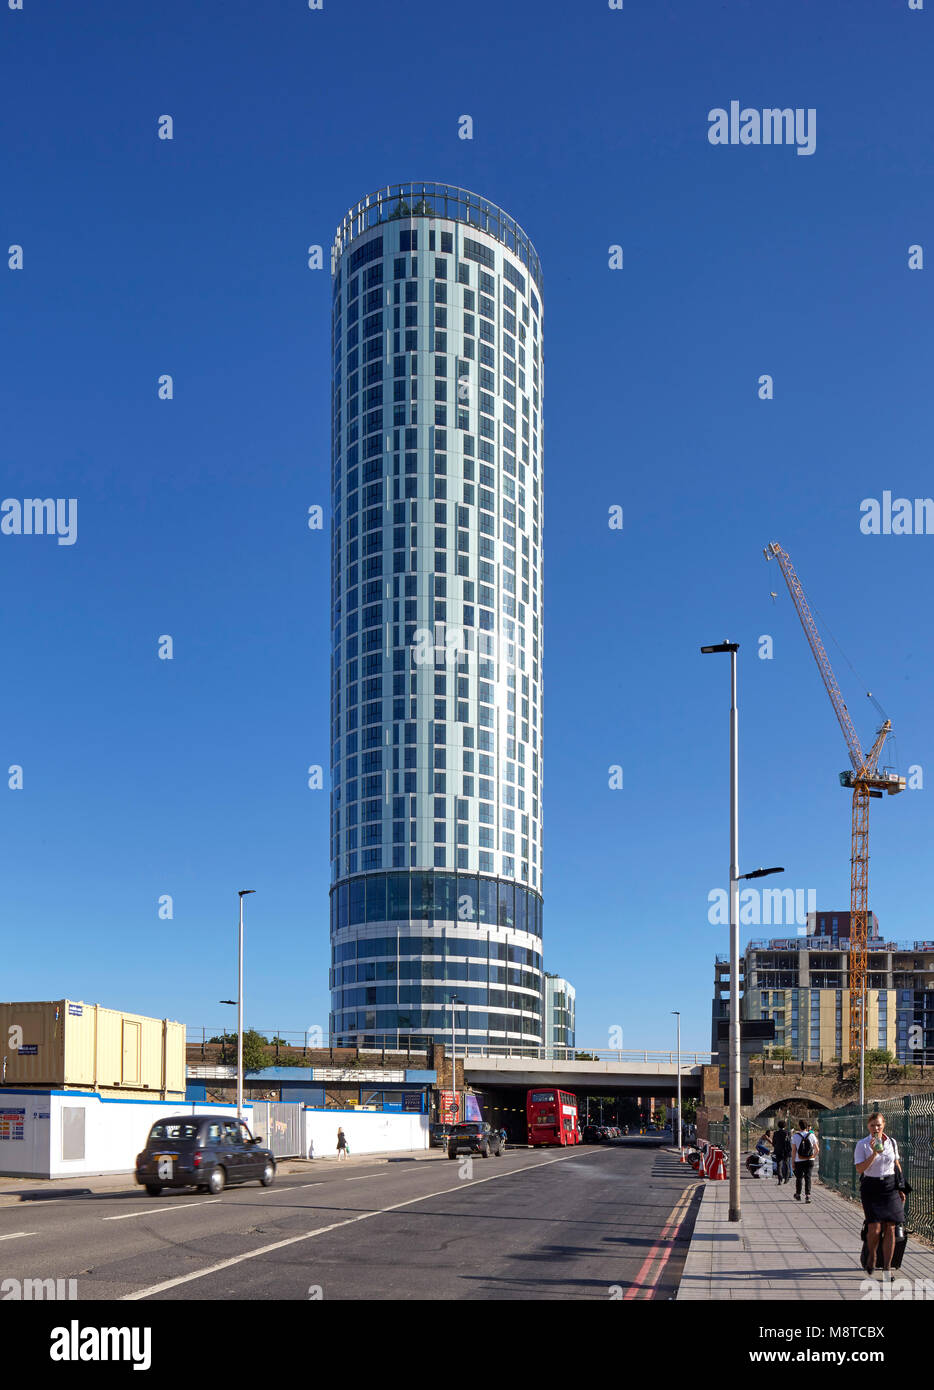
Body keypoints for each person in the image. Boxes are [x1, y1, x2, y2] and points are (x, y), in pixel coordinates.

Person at [855, 1111, 906, 1274]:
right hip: (871, 1186)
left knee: (891, 1227)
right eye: (872, 1125)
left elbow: (896, 1164)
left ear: (883, 1125)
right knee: (875, 1228)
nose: (876, 1128)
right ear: (868, 1127)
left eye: (878, 1125)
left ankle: (886, 1268)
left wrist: (901, 1188)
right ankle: (871, 1257)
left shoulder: (891, 1142)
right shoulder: (862, 1144)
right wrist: (874, 1153)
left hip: (890, 1186)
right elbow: (860, 1169)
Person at [791, 1117, 818, 1202]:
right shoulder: (812, 1135)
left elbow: (794, 1151)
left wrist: (793, 1162)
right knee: (808, 1177)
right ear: (807, 1126)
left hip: (799, 1160)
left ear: (799, 1126)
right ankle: (808, 1195)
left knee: (799, 1178)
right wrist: (813, 1156)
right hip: (810, 1160)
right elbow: (817, 1149)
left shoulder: (795, 1136)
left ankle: (798, 1194)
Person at [772, 1121, 792, 1185]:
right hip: (786, 1151)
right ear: (785, 1126)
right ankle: (786, 1178)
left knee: (779, 1165)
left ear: (778, 1126)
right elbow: (790, 1142)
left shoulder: (775, 1133)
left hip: (778, 1151)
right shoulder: (788, 1133)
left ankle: (779, 1179)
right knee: (786, 1164)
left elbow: (773, 1143)